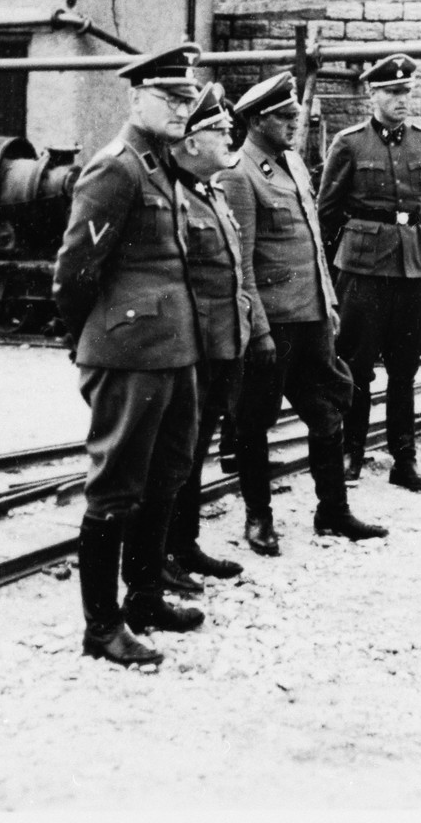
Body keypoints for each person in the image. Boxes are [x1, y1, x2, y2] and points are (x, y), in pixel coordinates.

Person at [52, 42, 207, 668]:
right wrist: (89, 343)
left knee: (166, 475)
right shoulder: (116, 169)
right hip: (128, 352)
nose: (181, 107)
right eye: (170, 96)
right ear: (136, 96)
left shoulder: (162, 164)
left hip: (173, 349)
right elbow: (74, 271)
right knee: (115, 487)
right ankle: (101, 627)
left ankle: (145, 597)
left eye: (187, 97)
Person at [221, 71, 388, 555]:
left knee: (329, 409)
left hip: (312, 318)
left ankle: (332, 511)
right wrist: (258, 330)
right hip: (273, 325)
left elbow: (314, 240)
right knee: (254, 422)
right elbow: (241, 260)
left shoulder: (292, 162)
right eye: (284, 116)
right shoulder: (238, 172)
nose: (295, 121)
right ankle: (259, 518)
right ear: (256, 121)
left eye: (295, 113)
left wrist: (329, 303)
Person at [318, 53, 421, 492]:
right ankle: (353, 452)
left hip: (411, 266)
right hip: (363, 268)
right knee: (357, 364)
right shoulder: (349, 143)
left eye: (406, 91)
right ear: (373, 94)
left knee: (405, 367)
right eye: (392, 92)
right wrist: (335, 273)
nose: (401, 99)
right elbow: (326, 212)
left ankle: (403, 460)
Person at [162, 83, 248, 595]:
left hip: (219, 346)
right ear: (191, 142)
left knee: (195, 452)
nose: (227, 136)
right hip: (187, 349)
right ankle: (160, 554)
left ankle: (185, 542)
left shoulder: (210, 191)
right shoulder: (173, 193)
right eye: (217, 129)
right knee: (172, 456)